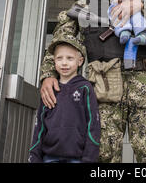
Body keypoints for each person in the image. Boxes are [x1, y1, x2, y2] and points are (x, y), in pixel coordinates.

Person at [39, 0, 146, 163]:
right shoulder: (83, 5)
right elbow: (62, 39)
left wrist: (140, 5)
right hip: (104, 87)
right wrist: (48, 75)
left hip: (144, 83)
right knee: (102, 154)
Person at [28, 34, 100, 163]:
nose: (64, 63)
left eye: (70, 58)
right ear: (54, 61)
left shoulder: (85, 88)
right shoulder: (49, 90)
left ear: (80, 61)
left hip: (77, 157)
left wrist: (89, 158)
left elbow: (93, 125)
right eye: (59, 58)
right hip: (49, 157)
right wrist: (34, 156)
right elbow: (39, 127)